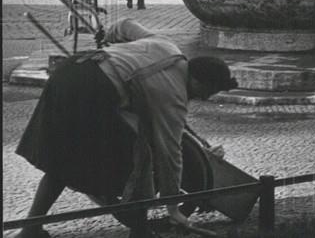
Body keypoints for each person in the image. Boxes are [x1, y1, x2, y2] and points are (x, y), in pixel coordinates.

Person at [15, 18, 238, 237]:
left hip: (71, 71)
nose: (206, 98)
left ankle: (31, 227)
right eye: (208, 93)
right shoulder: (174, 94)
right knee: (140, 158)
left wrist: (109, 37)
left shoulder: (167, 45)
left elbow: (124, 26)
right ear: (200, 82)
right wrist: (173, 209)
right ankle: (140, 231)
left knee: (63, 162)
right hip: (94, 89)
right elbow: (169, 153)